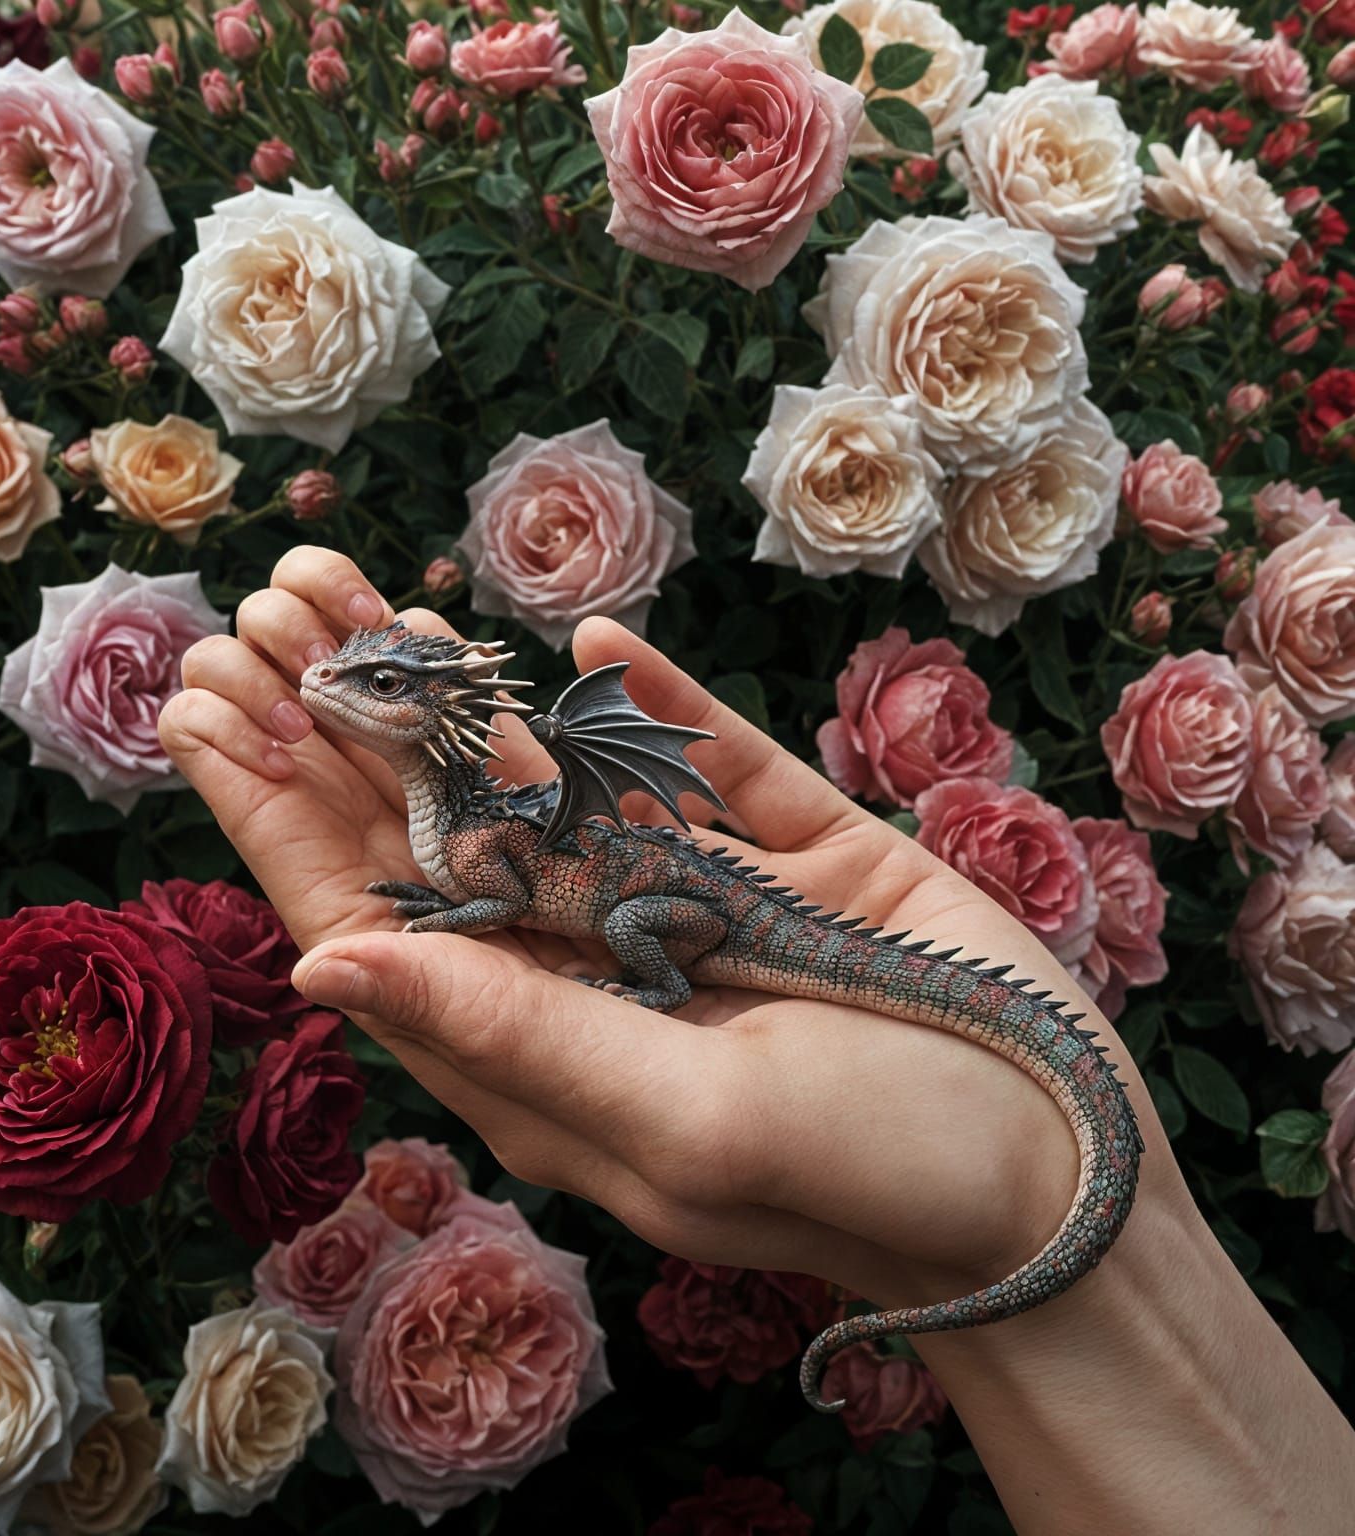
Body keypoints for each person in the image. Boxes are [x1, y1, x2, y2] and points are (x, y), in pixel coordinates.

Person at [159, 546, 1355, 1535]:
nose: (346, 693)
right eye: (357, 682)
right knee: (610, 903)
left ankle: (666, 981)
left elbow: (504, 895)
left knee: (629, 919)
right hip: (678, 894)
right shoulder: (465, 815)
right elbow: (506, 882)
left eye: (378, 685)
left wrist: (484, 921)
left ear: (430, 710)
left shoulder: (477, 840)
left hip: (694, 923)